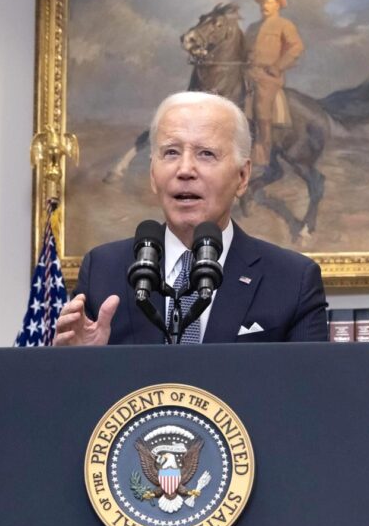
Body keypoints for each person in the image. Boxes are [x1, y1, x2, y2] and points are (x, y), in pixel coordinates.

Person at [56, 91, 326, 346]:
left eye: (206, 153)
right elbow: (77, 389)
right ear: (153, 174)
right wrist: (83, 360)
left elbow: (309, 389)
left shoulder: (292, 280)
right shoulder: (104, 270)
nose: (185, 170)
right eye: (171, 152)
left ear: (242, 177)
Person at [249, 0, 304, 166]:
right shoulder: (252, 27)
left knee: (261, 104)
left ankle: (263, 153)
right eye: (263, 2)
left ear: (278, 5)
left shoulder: (284, 25)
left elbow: (296, 47)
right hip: (248, 72)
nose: (265, 5)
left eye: (270, 2)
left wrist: (278, 66)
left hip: (268, 76)